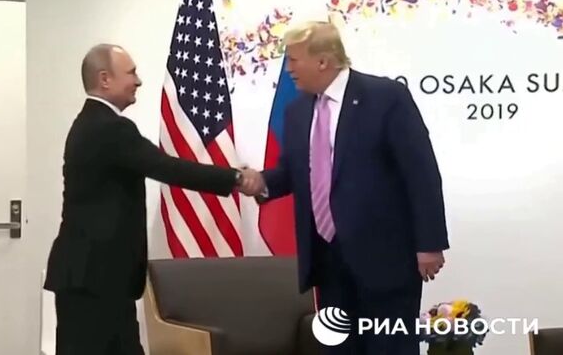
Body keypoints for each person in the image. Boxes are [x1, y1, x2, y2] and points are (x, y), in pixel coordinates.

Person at [239, 21, 449, 354]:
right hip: (328, 262)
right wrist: (261, 183)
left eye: (294, 59)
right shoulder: (297, 112)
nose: (289, 68)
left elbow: (420, 172)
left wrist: (430, 243)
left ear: (323, 61)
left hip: (386, 259)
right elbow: (294, 172)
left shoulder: (385, 97)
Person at [43, 43, 249, 355]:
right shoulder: (111, 128)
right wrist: (235, 178)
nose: (138, 81)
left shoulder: (91, 122)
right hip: (97, 278)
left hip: (92, 276)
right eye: (131, 73)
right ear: (105, 79)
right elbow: (165, 167)